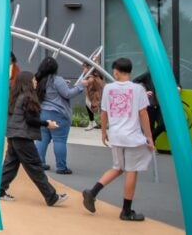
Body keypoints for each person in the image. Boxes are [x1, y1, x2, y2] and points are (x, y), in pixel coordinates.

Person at [81, 57, 154, 222]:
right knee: (131, 170)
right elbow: (143, 114)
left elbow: (104, 111)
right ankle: (126, 210)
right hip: (132, 136)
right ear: (130, 71)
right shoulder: (138, 89)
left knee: (118, 167)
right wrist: (149, 137)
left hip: (116, 134)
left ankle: (92, 192)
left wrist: (104, 132)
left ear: (115, 72)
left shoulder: (109, 89)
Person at [0, 71, 68, 206]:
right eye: (34, 80)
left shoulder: (14, 97)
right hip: (23, 138)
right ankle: (51, 197)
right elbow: (31, 120)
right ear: (28, 82)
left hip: (13, 136)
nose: (36, 82)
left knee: (10, 165)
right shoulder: (28, 98)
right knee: (35, 167)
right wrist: (47, 123)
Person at [34, 56, 84, 174]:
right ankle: (61, 167)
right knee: (59, 140)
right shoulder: (57, 79)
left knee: (42, 139)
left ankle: (39, 163)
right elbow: (67, 94)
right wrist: (81, 86)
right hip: (58, 114)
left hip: (42, 113)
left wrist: (63, 83)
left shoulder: (38, 79)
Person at [83, 62, 105, 131]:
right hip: (91, 94)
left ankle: (93, 123)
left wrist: (85, 82)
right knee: (88, 106)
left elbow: (90, 80)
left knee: (94, 107)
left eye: (84, 68)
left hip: (94, 95)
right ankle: (92, 123)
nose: (83, 69)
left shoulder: (93, 76)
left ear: (88, 68)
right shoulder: (92, 74)